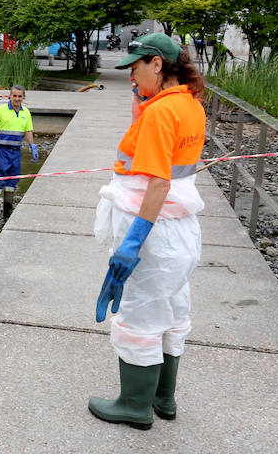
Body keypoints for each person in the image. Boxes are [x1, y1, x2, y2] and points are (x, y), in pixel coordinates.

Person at [88, 33, 206, 430]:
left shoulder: (160, 113)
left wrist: (131, 245)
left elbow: (157, 183)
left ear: (157, 63)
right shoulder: (189, 105)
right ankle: (163, 398)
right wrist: (142, 107)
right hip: (180, 231)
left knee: (138, 313)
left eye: (135, 70)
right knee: (171, 309)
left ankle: (134, 406)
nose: (131, 80)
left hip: (152, 234)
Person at [0, 84, 38, 222]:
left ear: (23, 97)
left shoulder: (25, 112)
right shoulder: (1, 110)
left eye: (19, 96)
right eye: (14, 95)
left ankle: (7, 212)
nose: (16, 98)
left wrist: (32, 145)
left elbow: (28, 130)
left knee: (12, 180)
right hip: (1, 151)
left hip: (16, 152)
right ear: (9, 96)